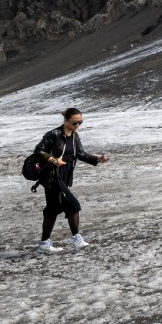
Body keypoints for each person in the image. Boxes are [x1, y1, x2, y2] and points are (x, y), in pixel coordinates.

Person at [34, 107, 110, 252]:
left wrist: (97, 159)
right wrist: (53, 160)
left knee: (52, 209)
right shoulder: (54, 134)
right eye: (74, 123)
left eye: (80, 122)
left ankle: (44, 244)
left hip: (64, 176)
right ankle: (76, 238)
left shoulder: (74, 136)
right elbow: (38, 151)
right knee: (73, 205)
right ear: (66, 121)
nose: (77, 126)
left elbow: (80, 154)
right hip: (52, 176)